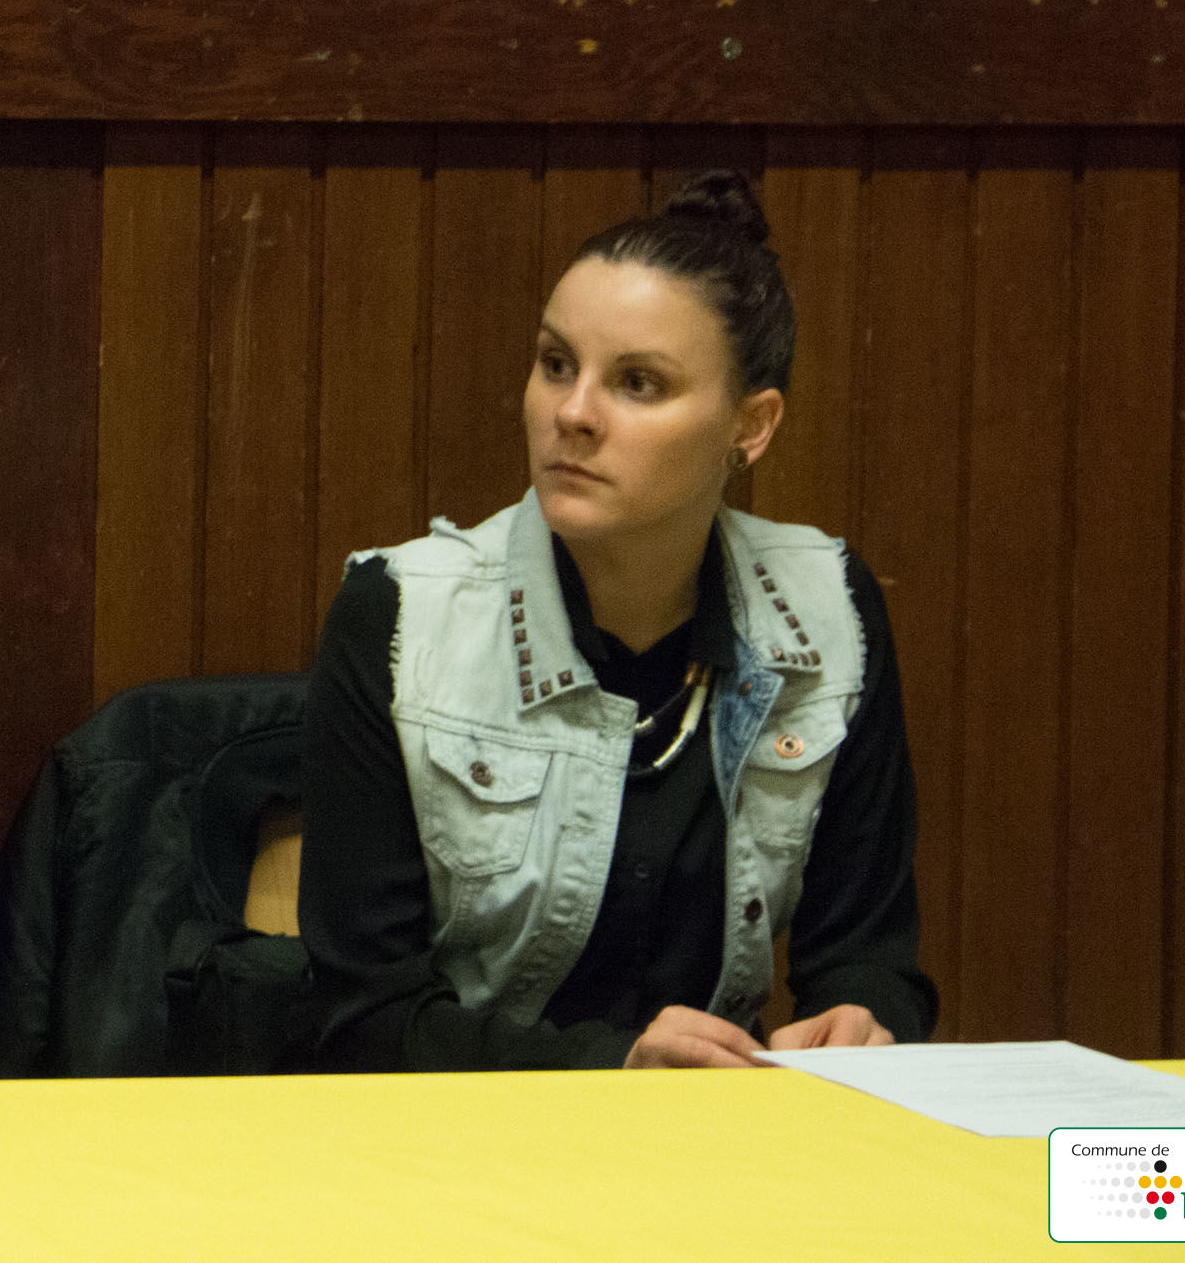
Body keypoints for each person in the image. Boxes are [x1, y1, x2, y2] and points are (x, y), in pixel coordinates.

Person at [287, 170, 934, 1069]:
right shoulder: (400, 612)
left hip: (723, 1126)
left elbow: (869, 952)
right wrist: (612, 1069)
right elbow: (361, 1020)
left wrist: (863, 1013)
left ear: (751, 426)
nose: (573, 413)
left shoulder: (830, 609)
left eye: (637, 383)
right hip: (460, 1131)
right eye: (556, 364)